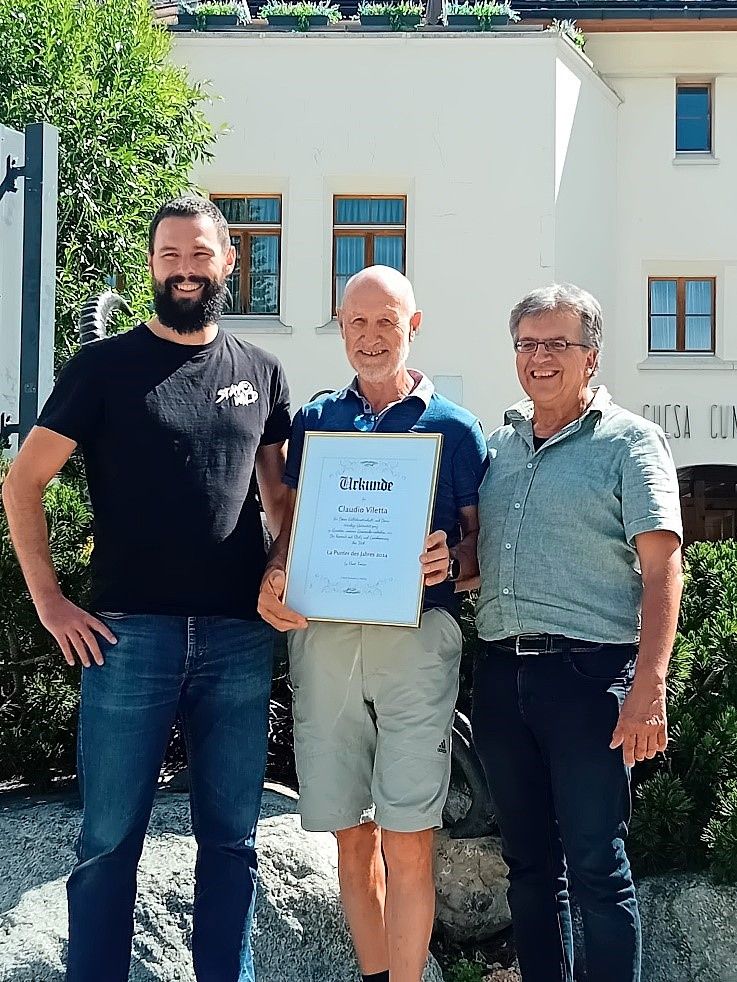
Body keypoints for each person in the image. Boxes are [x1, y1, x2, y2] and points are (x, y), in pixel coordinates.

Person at [2, 196, 291, 982]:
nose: (185, 269)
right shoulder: (103, 368)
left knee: (232, 841)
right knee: (106, 844)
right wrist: (50, 603)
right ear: (153, 264)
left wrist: (280, 566)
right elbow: (23, 482)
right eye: (170, 255)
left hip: (238, 638)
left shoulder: (261, 372)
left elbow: (281, 500)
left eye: (199, 254)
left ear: (229, 261)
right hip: (129, 640)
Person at [257, 265, 488, 982]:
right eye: (356, 322)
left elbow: (478, 546)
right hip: (325, 638)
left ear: (412, 326)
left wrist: (452, 558)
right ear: (340, 328)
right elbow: (293, 528)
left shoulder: (456, 426)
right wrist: (274, 573)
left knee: (408, 835)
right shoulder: (316, 420)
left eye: (386, 320)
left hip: (417, 638)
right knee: (350, 837)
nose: (370, 336)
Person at [470, 283, 683, 982]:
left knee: (596, 864)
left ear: (591, 355)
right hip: (500, 677)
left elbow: (663, 567)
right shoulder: (498, 447)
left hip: (589, 680)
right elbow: (479, 562)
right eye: (527, 344)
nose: (540, 357)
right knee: (528, 866)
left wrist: (649, 685)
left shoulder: (629, 441)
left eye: (557, 343)